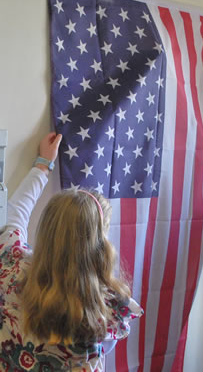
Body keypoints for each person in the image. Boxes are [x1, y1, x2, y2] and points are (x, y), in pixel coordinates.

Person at [0, 132, 142, 371]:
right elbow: (106, 347)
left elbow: (15, 216)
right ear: (99, 245)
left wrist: (42, 166)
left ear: (46, 230)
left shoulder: (11, 269)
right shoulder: (106, 305)